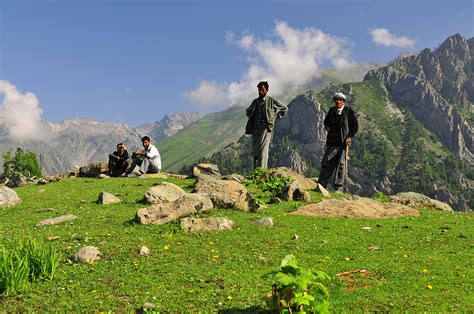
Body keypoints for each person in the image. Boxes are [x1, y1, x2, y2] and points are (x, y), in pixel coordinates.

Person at [318, 92, 358, 192]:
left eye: (340, 100)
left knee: (340, 165)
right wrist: (327, 126)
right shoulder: (332, 111)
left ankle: (338, 188)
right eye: (336, 100)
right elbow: (326, 120)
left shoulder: (348, 111)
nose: (338, 102)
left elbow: (355, 126)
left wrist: (349, 137)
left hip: (342, 143)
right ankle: (321, 185)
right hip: (332, 142)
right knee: (327, 162)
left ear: (343, 102)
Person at [245, 81, 287, 169]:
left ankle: (262, 172)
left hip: (265, 129)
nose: (260, 92)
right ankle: (256, 172)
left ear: (267, 90)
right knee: (255, 152)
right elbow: (248, 111)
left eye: (262, 90)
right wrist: (251, 114)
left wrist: (275, 117)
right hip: (255, 130)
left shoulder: (271, 100)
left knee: (263, 151)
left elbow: (284, 108)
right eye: (259, 90)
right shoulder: (255, 101)